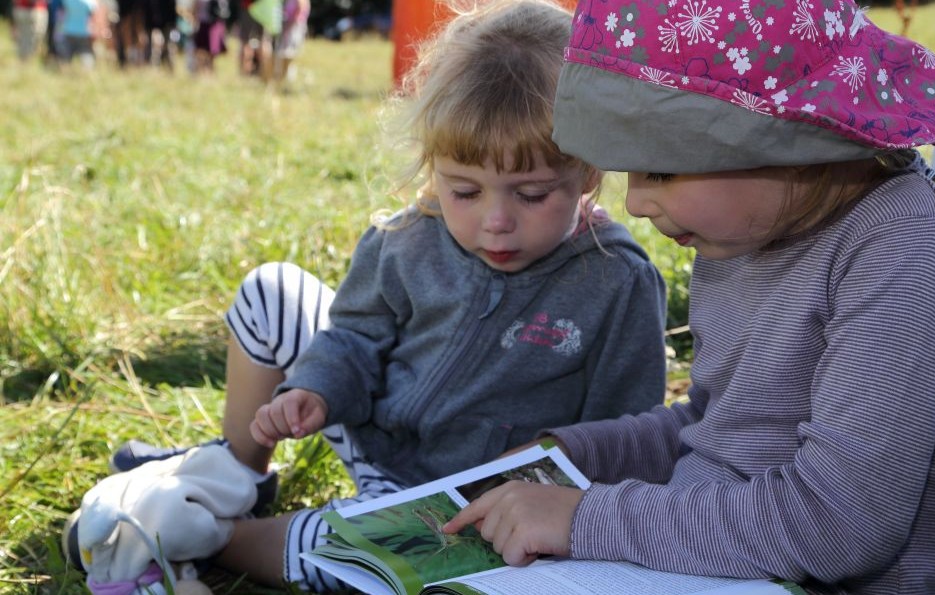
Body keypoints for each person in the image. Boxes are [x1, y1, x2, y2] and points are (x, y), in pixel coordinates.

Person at [73, 0, 668, 590]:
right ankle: (239, 474)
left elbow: (626, 431)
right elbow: (355, 336)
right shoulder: (407, 238)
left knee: (354, 561)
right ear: (434, 164)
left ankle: (210, 538)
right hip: (367, 429)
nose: (496, 221)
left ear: (589, 172)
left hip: (456, 504)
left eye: (532, 195)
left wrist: (545, 490)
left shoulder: (617, 282)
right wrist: (315, 388)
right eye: (464, 190)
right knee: (269, 291)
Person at [443, 1, 935, 594]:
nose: (635, 203)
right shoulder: (747, 228)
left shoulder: (906, 252)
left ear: (787, 143)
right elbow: (716, 428)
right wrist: (577, 454)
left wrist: (586, 518)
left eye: (661, 171)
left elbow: (839, 523)